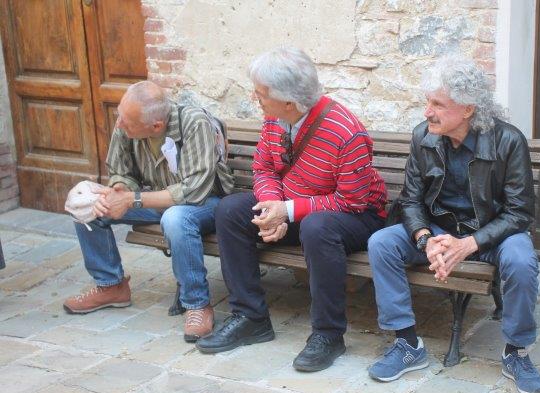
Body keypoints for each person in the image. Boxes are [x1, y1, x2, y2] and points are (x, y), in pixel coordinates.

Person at [366, 55, 540, 393]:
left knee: (522, 260)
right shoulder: (423, 137)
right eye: (427, 102)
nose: (427, 112)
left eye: (438, 104)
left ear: (468, 109)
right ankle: (407, 344)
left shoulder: (508, 141)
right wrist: (425, 240)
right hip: (438, 232)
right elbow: (410, 200)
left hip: (493, 235)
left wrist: (469, 244)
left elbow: (519, 213)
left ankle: (517, 352)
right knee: (381, 243)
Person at [196, 47, 387, 372]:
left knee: (317, 227)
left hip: (356, 217)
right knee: (230, 211)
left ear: (289, 102)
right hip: (296, 205)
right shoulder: (276, 118)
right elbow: (264, 168)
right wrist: (272, 207)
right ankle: (251, 317)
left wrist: (288, 210)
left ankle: (328, 335)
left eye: (261, 94)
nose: (255, 98)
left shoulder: (346, 132)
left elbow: (351, 201)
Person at [63, 81, 232, 344]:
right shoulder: (126, 122)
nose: (119, 124)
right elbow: (121, 171)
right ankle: (111, 286)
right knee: (86, 204)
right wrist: (118, 192)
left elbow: (193, 191)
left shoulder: (194, 123)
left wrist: (131, 200)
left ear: (156, 126)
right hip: (154, 199)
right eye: (120, 115)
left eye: (126, 121)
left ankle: (197, 305)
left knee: (175, 218)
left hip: (206, 204)